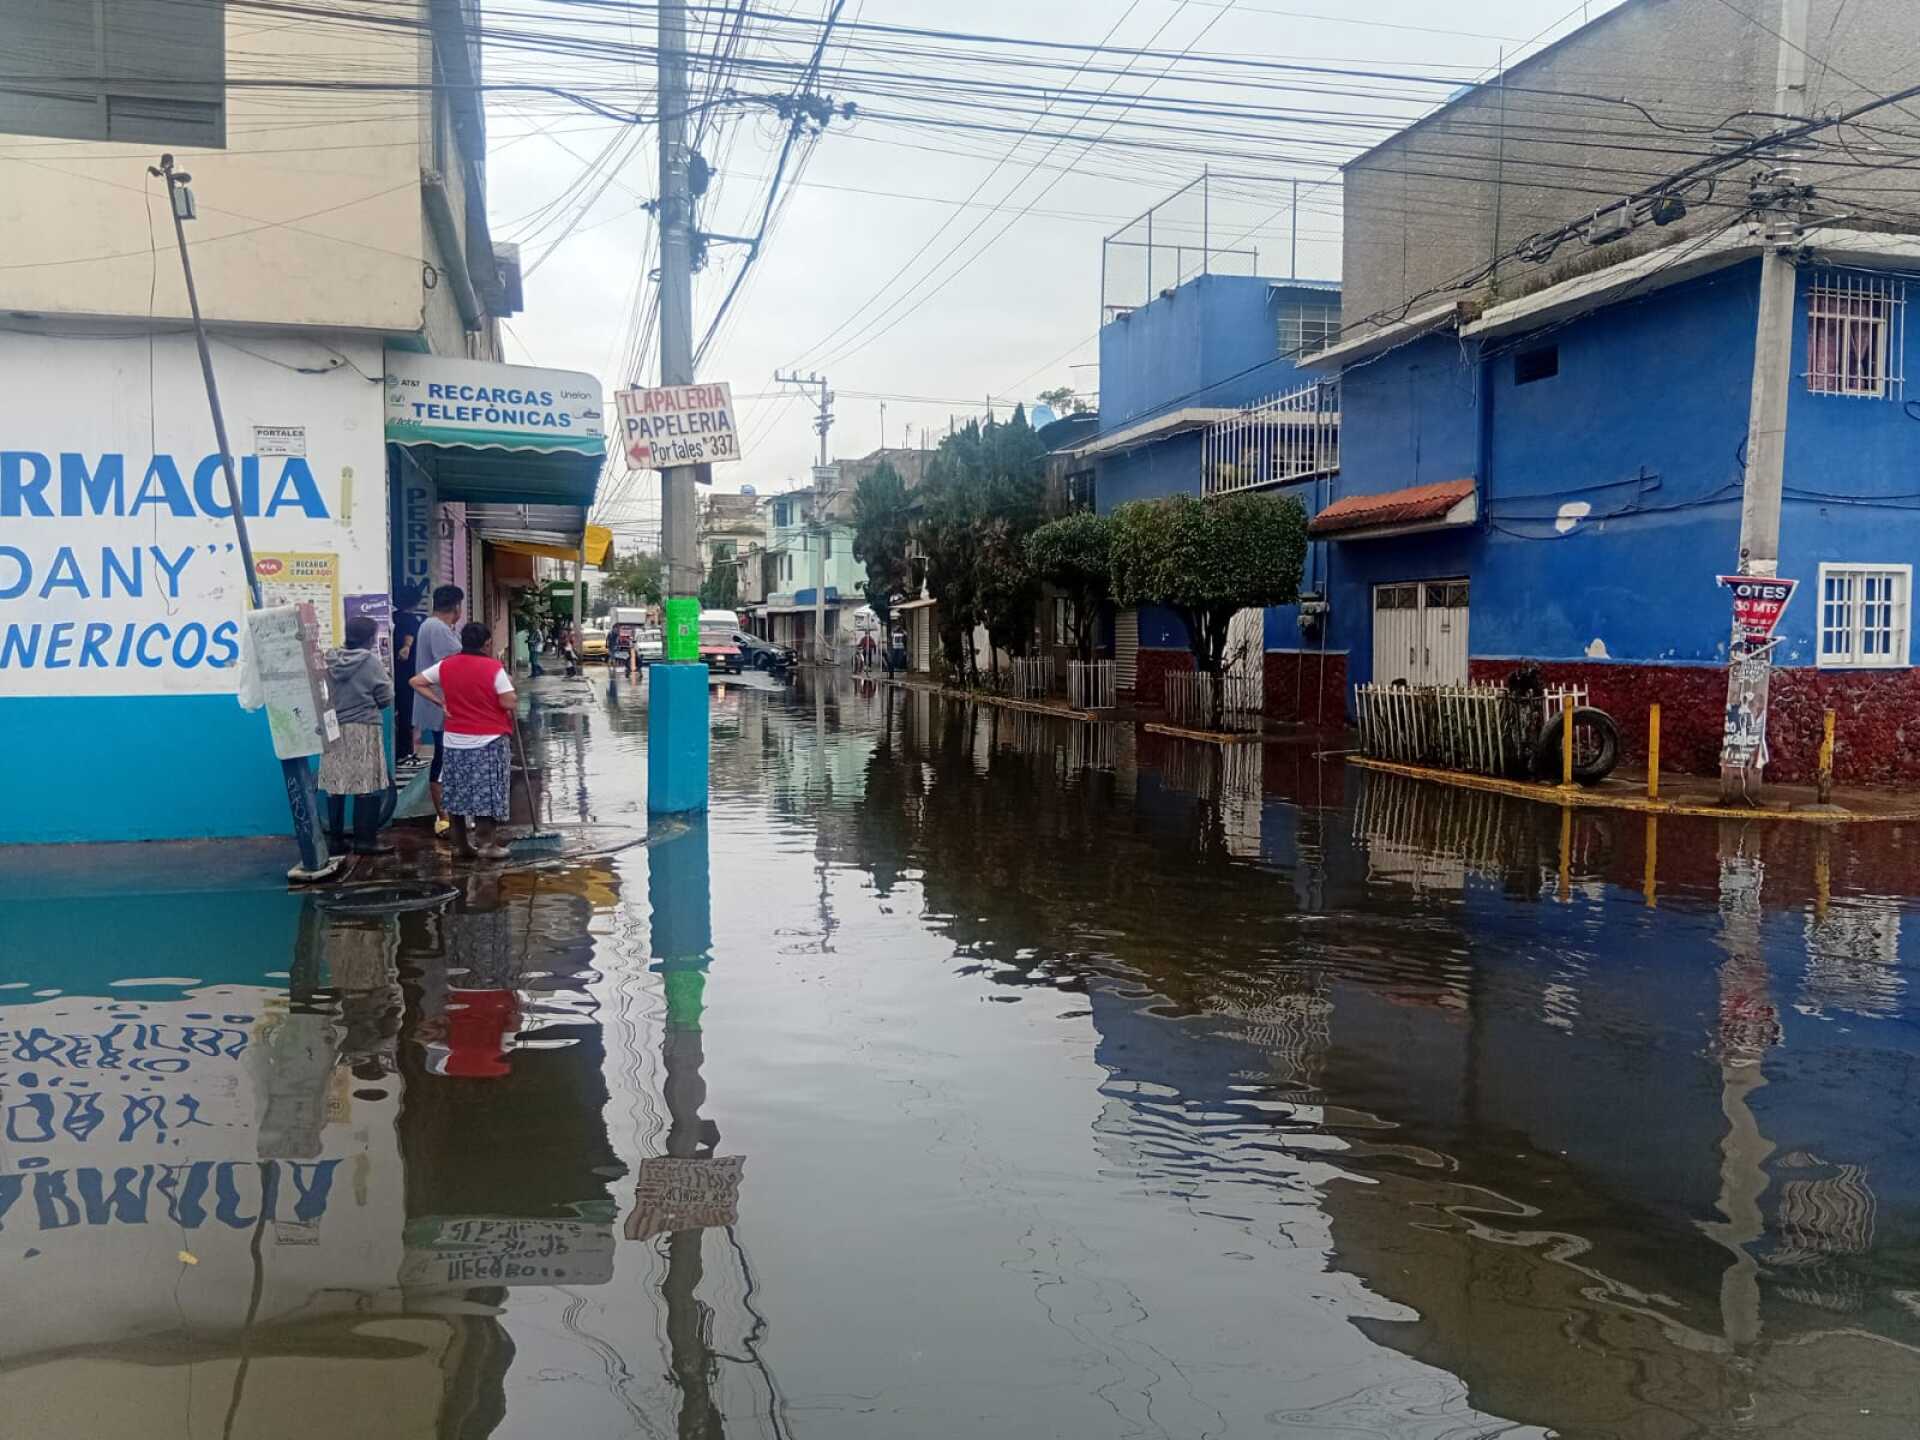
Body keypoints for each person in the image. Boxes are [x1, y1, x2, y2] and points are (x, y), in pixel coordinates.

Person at [410, 621, 516, 861]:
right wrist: (510, 692)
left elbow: (416, 682)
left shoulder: (446, 665)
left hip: (454, 740)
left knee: (457, 790)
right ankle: (487, 844)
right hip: (488, 740)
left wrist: (440, 702)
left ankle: (461, 846)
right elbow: (508, 701)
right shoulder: (493, 667)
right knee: (488, 791)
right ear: (487, 643)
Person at [319, 615, 395, 855]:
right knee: (366, 783)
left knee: (335, 783)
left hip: (333, 726)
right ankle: (365, 841)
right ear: (370, 638)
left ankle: (336, 841)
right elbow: (385, 696)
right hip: (363, 726)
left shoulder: (329, 659)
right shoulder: (370, 661)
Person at [411, 585, 464, 834]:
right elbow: (454, 665)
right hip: (442, 704)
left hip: (438, 703)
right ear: (456, 607)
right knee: (443, 759)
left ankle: (449, 814)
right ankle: (444, 818)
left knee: (445, 758)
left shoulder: (430, 625)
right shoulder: (439, 629)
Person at [391, 584, 423, 763]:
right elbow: (409, 637)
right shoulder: (412, 620)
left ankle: (396, 750)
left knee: (394, 711)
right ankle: (404, 751)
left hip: (392, 672)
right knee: (406, 713)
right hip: (408, 675)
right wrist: (407, 647)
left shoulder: (392, 617)